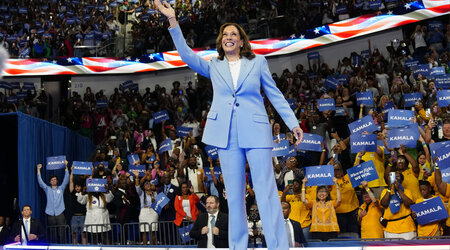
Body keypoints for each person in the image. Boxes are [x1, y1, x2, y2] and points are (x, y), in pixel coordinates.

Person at [155, 1, 304, 249]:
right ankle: (237, 246)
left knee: (266, 192)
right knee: (234, 197)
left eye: (234, 34)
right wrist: (173, 21)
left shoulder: (257, 63)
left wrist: (293, 123)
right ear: (221, 42)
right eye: (225, 34)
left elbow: (275, 94)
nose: (229, 37)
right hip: (226, 135)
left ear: (242, 41)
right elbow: (186, 55)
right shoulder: (214, 65)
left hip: (256, 132)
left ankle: (278, 246)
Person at [36, 162, 69, 242]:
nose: (53, 181)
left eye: (55, 179)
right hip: (50, 213)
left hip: (60, 212)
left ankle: (62, 247)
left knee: (62, 232)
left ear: (57, 181)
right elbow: (40, 182)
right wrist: (38, 170)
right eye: (52, 180)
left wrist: (66, 166)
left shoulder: (61, 188)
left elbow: (66, 179)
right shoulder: (47, 189)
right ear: (50, 182)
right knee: (52, 233)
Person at [133, 171, 159, 245]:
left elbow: (158, 203)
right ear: (144, 187)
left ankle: (154, 247)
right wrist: (137, 177)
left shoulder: (155, 193)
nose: (148, 185)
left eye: (149, 184)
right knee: (144, 231)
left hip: (153, 212)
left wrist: (154, 199)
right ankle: (145, 247)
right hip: (144, 212)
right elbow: (137, 186)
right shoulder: (141, 193)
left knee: (153, 231)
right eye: (146, 184)